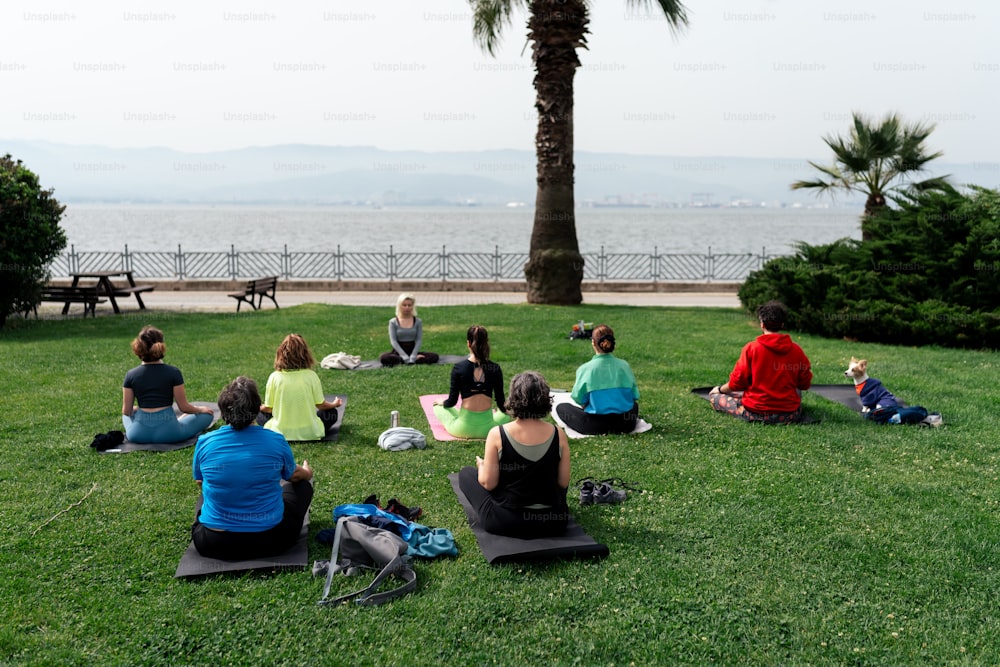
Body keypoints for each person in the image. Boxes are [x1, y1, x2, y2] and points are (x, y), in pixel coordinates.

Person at [191, 376, 314, 560]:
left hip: (213, 543)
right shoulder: (275, 440)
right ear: (257, 409)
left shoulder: (204, 442)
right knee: (303, 486)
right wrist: (307, 472)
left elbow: (200, 482)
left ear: (223, 411)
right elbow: (295, 476)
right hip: (271, 540)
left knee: (206, 495)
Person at [458, 371, 570, 538]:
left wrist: (482, 467)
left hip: (505, 521)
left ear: (513, 399)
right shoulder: (558, 433)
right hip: (553, 522)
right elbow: (563, 482)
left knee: (466, 474)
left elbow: (488, 484)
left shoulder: (498, 434)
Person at [709, 300, 812, 423]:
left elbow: (737, 383)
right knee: (796, 391)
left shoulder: (752, 348)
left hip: (755, 413)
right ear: (782, 325)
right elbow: (804, 384)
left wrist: (719, 389)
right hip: (789, 414)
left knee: (715, 398)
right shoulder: (796, 350)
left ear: (762, 324)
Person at [121, 325, 215, 443]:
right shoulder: (173, 372)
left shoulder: (131, 375)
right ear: (161, 346)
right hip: (170, 433)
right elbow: (184, 407)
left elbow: (126, 411)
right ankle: (179, 420)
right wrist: (200, 409)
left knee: (126, 416)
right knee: (208, 414)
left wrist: (136, 409)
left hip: (137, 435)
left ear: (138, 347)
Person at [555, 324, 640, 435]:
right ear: (613, 343)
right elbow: (635, 395)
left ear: (593, 343)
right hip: (625, 424)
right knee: (634, 406)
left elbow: (579, 398)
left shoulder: (585, 369)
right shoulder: (624, 365)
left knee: (561, 408)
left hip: (595, 425)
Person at [258, 333, 342, 441]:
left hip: (279, 433)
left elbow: (268, 408)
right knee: (332, 412)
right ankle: (309, 428)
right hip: (310, 432)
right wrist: (334, 404)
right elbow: (321, 405)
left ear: (280, 354)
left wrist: (258, 407)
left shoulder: (274, 377)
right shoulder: (311, 376)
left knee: (259, 413)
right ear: (306, 354)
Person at [433, 325, 512, 438]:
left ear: (468, 343)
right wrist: (509, 412)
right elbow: (501, 402)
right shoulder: (495, 368)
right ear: (486, 344)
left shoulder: (459, 368)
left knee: (437, 407)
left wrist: (442, 402)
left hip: (462, 429)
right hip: (489, 430)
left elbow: (451, 402)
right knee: (506, 415)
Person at [379, 293, 439, 366]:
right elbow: (393, 341)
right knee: (384, 357)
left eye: (409, 305)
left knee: (434, 356)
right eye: (404, 305)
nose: (407, 307)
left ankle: (412, 360)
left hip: (412, 350)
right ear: (400, 306)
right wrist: (404, 356)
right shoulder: (393, 322)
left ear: (412, 306)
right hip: (398, 352)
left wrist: (413, 356)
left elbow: (419, 340)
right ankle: (406, 360)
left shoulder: (418, 321)